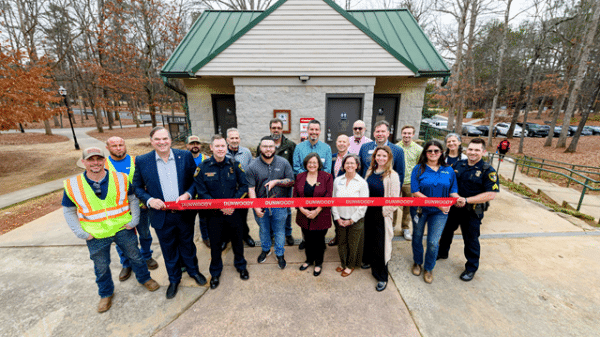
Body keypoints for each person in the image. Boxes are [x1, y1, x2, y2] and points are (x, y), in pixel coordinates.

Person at [63, 147, 160, 313]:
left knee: (136, 257)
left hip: (122, 228)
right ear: (84, 162)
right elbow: (68, 210)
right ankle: (106, 294)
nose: (95, 163)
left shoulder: (120, 178)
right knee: (101, 267)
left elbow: (133, 200)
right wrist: (80, 232)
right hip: (95, 235)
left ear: (104, 160)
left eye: (98, 159)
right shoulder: (73, 185)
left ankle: (145, 279)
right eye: (91, 159)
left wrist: (134, 220)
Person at [132, 127, 207, 300]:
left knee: (187, 244)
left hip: (183, 213)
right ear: (151, 141)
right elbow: (136, 187)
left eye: (165, 138)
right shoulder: (143, 161)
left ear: (170, 140)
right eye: (157, 139)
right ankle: (174, 279)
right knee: (168, 249)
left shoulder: (185, 156)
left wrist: (188, 194)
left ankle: (193, 271)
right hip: (161, 215)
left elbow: (195, 181)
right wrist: (149, 200)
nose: (162, 142)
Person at [192, 134, 250, 290]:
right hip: (214, 214)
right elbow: (201, 192)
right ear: (211, 148)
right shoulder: (203, 167)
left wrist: (233, 203)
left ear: (226, 147)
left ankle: (241, 265)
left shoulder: (234, 165)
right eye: (217, 146)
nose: (220, 149)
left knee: (238, 240)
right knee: (216, 244)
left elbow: (244, 186)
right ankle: (215, 272)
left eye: (223, 146)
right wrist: (219, 206)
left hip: (234, 212)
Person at [438, 138, 499, 282]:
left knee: (471, 239)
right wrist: (456, 197)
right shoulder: (458, 164)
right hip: (454, 207)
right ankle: (442, 253)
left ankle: (471, 268)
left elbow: (491, 194)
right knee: (446, 232)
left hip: (472, 211)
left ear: (483, 152)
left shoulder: (488, 170)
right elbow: (449, 183)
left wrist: (466, 200)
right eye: (470, 149)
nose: (473, 152)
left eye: (477, 150)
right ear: (466, 150)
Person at [104, 136, 158, 282]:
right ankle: (126, 263)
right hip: (118, 211)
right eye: (114, 145)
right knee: (121, 239)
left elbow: (146, 181)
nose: (118, 148)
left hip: (141, 207)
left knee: (145, 234)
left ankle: (147, 256)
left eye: (121, 144)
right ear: (107, 147)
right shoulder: (104, 165)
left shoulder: (137, 161)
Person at [410, 140, 459, 284]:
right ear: (425, 153)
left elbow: (453, 190)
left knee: (432, 242)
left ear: (441, 153)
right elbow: (415, 192)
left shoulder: (448, 170)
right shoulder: (418, 169)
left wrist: (459, 199)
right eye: (429, 151)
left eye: (436, 151)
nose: (433, 153)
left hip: (439, 213)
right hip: (420, 210)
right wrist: (439, 204)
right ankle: (417, 262)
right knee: (417, 237)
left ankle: (429, 267)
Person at [247, 136, 295, 269]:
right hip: (261, 206)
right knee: (264, 230)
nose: (268, 149)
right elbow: (251, 189)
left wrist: (277, 181)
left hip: (280, 204)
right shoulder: (252, 166)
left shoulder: (283, 163)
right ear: (260, 147)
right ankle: (266, 249)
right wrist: (255, 207)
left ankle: (280, 253)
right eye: (265, 146)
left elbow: (291, 181)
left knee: (280, 231)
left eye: (271, 146)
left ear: (275, 148)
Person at [363, 146, 400, 291]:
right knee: (369, 240)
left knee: (381, 244)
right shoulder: (370, 171)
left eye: (384, 156)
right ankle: (370, 262)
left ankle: (382, 276)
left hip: (382, 215)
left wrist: (385, 212)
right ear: (375, 157)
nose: (381, 158)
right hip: (368, 212)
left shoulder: (393, 175)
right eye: (378, 155)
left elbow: (395, 200)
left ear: (389, 158)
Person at [293, 119, 332, 249]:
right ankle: (305, 239)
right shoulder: (299, 147)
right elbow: (296, 167)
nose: (314, 132)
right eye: (311, 129)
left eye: (316, 129)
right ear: (307, 130)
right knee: (305, 216)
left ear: (320, 131)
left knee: (319, 215)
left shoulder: (326, 148)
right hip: (305, 186)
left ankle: (320, 240)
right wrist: (309, 175)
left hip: (321, 186)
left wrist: (316, 177)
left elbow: (327, 168)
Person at [294, 153, 334, 276]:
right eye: (309, 163)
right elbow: (295, 195)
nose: (312, 165)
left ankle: (318, 263)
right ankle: (309, 260)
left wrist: (316, 211)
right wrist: (301, 209)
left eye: (314, 163)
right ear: (306, 164)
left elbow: (328, 196)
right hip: (304, 215)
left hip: (321, 215)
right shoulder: (300, 176)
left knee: (319, 241)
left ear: (319, 164)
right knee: (308, 239)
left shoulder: (327, 177)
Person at [258, 118, 297, 246]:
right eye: (274, 128)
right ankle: (272, 233)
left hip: (285, 184)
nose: (276, 130)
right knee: (269, 208)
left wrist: (289, 180)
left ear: (282, 129)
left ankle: (288, 233)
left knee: (286, 210)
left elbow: (293, 165)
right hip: (267, 184)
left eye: (279, 128)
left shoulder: (290, 145)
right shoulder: (264, 144)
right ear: (270, 129)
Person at [331, 154, 369, 277]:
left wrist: (352, 220)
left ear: (357, 165)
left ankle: (350, 265)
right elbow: (333, 200)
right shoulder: (337, 180)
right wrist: (337, 218)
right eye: (347, 163)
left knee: (353, 244)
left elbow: (363, 205)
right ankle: (343, 263)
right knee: (341, 243)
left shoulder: (362, 183)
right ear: (343, 165)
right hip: (340, 218)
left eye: (352, 163)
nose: (350, 165)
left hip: (355, 220)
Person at [226, 128, 256, 248]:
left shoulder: (246, 152)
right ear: (227, 140)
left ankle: (245, 236)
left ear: (239, 139)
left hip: (243, 191)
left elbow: (250, 171)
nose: (234, 140)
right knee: (227, 216)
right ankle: (226, 238)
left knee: (243, 217)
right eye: (232, 138)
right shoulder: (223, 152)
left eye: (236, 138)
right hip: (227, 191)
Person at [396, 125, 423, 242]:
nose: (406, 135)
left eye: (409, 133)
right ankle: (391, 226)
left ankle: (405, 228)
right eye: (404, 133)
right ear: (401, 134)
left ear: (413, 134)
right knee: (393, 205)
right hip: (396, 181)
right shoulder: (395, 147)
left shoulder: (418, 149)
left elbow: (420, 167)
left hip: (410, 183)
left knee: (408, 206)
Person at [186, 135, 210, 248]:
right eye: (192, 144)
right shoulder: (183, 159)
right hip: (188, 197)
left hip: (203, 196)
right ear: (187, 145)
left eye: (197, 143)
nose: (195, 146)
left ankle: (205, 237)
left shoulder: (207, 159)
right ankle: (187, 241)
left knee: (204, 219)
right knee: (188, 222)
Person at [328, 134, 350, 246]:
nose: (341, 144)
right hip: (333, 194)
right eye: (339, 141)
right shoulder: (331, 157)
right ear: (336, 143)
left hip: (347, 194)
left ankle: (346, 240)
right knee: (335, 216)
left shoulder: (354, 158)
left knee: (347, 217)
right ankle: (337, 236)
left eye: (344, 142)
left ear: (348, 144)